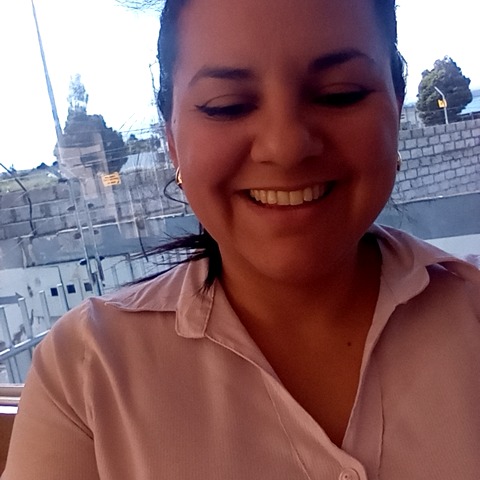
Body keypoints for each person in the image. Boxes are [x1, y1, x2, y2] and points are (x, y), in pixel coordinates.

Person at [3, 0, 480, 478]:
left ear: (396, 107)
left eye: (340, 94)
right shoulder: (86, 373)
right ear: (172, 139)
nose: (285, 146)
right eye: (226, 106)